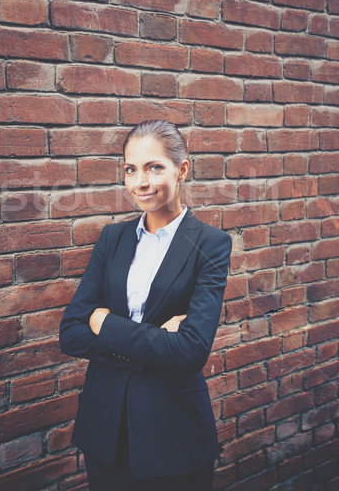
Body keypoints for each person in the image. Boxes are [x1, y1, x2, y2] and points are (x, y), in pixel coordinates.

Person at [59, 120, 232, 491]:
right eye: (130, 169)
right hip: (105, 431)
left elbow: (190, 352)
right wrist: (156, 341)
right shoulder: (112, 238)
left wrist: (105, 325)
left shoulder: (212, 245)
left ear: (182, 169)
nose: (140, 182)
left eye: (154, 167)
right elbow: (71, 333)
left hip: (173, 433)